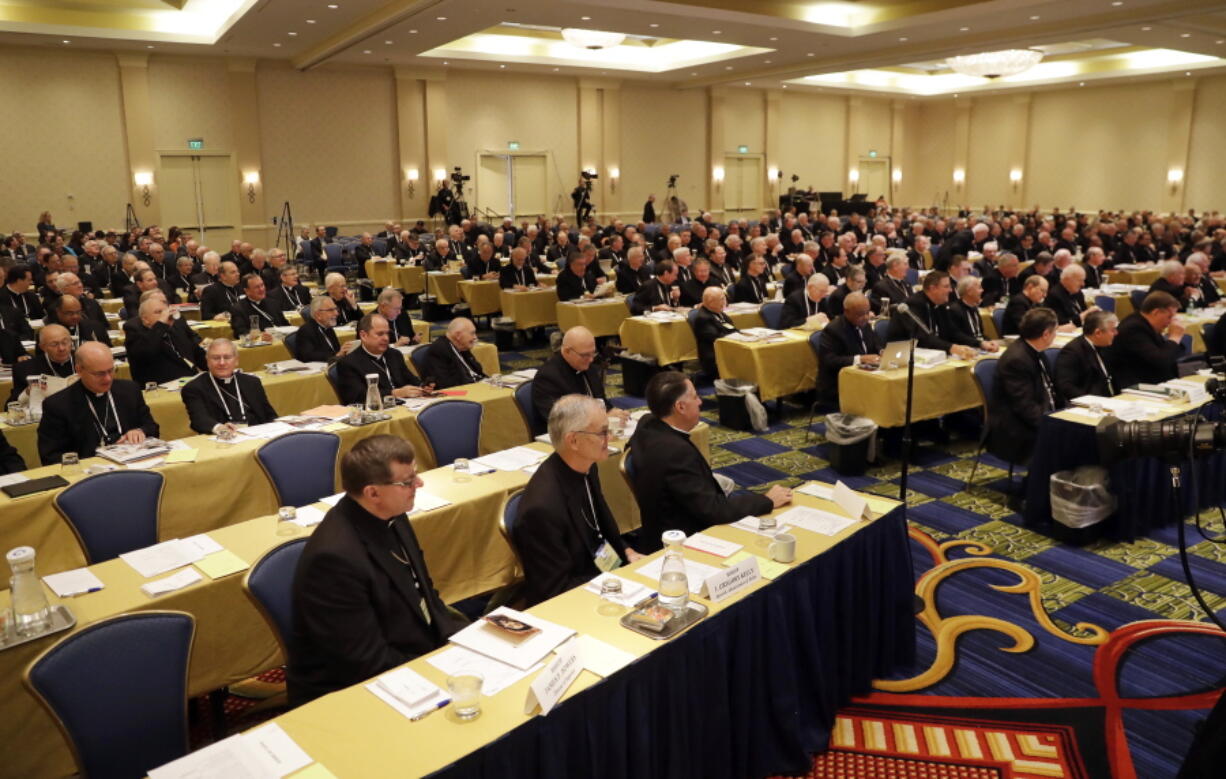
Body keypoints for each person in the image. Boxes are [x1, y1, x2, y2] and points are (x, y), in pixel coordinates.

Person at [288, 435, 467, 706]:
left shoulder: (392, 513)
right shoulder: (333, 559)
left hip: (411, 650)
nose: (418, 484)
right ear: (373, 493)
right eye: (407, 482)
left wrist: (462, 642)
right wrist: (437, 667)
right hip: (351, 690)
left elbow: (425, 595)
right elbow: (365, 662)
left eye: (415, 475)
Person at [627, 371, 790, 552]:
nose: (700, 402)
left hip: (658, 524)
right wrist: (766, 500)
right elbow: (714, 511)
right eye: (695, 397)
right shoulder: (676, 453)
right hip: (683, 540)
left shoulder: (646, 423)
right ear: (680, 407)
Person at [512, 395, 643, 607]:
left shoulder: (585, 466)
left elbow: (599, 526)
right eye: (602, 432)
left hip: (603, 577)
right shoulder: (542, 509)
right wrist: (617, 584)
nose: (609, 437)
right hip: (573, 602)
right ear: (573, 440)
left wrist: (626, 551)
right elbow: (555, 590)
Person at [37, 341, 159, 465]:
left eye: (111, 370)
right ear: (79, 370)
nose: (108, 378)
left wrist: (140, 431)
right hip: (91, 470)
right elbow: (50, 456)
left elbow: (152, 427)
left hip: (134, 462)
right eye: (99, 374)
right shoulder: (58, 405)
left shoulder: (129, 390)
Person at [988, 307, 1062, 464]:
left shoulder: (1036, 350)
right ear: (1046, 334)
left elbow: (1050, 388)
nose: (1056, 336)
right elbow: (1025, 407)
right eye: (1055, 331)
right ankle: (1038, 484)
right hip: (1015, 426)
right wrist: (1052, 424)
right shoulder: (1017, 360)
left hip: (1040, 412)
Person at [181, 339, 279, 435]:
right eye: (216, 358)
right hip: (223, 441)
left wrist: (282, 423)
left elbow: (269, 415)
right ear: (207, 361)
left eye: (227, 357)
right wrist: (219, 428)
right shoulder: (194, 388)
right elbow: (199, 420)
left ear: (236, 360)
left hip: (258, 436)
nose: (222, 363)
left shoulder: (252, 382)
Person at [531, 326, 626, 423]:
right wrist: (603, 418)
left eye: (593, 353)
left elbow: (601, 401)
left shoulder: (588, 366)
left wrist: (613, 412)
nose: (591, 359)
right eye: (585, 355)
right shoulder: (547, 377)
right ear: (567, 351)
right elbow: (559, 420)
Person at [334, 313, 425, 403]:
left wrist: (424, 386)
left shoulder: (394, 354)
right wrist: (394, 393)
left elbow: (410, 379)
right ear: (363, 335)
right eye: (380, 334)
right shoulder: (348, 363)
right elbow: (357, 396)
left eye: (387, 333)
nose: (386, 338)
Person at [886, 271, 978, 359]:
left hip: (935, 355)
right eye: (946, 286)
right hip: (904, 357)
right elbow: (922, 339)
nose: (950, 290)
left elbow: (953, 332)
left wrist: (979, 344)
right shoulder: (911, 306)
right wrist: (951, 347)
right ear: (933, 288)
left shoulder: (940, 304)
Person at [123, 296, 206, 386]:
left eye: (165, 311)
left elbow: (197, 352)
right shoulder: (134, 331)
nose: (165, 315)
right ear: (145, 319)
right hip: (161, 388)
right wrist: (161, 324)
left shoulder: (176, 326)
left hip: (191, 382)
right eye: (158, 312)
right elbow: (146, 352)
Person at [816, 292, 880, 404]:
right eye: (860, 314)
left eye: (867, 312)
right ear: (847, 312)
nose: (865, 317)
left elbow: (875, 344)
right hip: (839, 384)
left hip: (866, 377)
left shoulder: (865, 325)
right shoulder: (833, 330)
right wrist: (860, 359)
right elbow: (829, 360)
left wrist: (882, 351)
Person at [1112, 291, 1184, 390]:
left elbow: (1169, 356)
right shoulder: (1133, 329)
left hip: (1153, 380)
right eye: (1169, 316)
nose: (1171, 321)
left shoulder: (1146, 323)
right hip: (1137, 385)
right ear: (1156, 312)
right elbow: (1160, 361)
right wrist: (1175, 338)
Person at [1055, 311, 1119, 400]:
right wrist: (1092, 401)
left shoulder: (1106, 345)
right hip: (1091, 403)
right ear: (1098, 333)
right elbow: (1066, 386)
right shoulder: (1072, 352)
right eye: (1112, 330)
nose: (1116, 333)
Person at [8, 324, 76, 405]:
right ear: (42, 347)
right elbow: (12, 404)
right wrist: (27, 392)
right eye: (54, 344)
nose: (61, 348)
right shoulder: (25, 368)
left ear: (71, 342)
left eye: (65, 342)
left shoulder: (85, 361)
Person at [421, 317, 486, 389]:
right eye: (472, 333)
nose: (475, 337)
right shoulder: (439, 350)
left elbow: (478, 371)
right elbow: (446, 384)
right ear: (458, 335)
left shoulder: (462, 346)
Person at [293, 296, 358, 363]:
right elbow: (309, 357)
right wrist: (337, 355)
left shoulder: (328, 327)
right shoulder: (305, 331)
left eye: (336, 309)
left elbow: (335, 350)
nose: (336, 313)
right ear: (318, 315)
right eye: (331, 310)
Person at [691, 287, 738, 378]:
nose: (725, 302)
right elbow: (717, 338)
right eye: (722, 299)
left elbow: (732, 329)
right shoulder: (703, 318)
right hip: (714, 357)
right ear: (711, 302)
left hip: (726, 349)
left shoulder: (718, 313)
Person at [230, 273, 289, 341]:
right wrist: (259, 337)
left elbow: (285, 324)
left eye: (262, 285)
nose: (261, 289)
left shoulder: (273, 303)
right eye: (256, 287)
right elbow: (239, 332)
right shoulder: (238, 308)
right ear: (247, 291)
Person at [947, 276, 997, 350]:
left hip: (979, 346)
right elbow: (957, 336)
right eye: (979, 288)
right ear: (969, 291)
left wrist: (990, 341)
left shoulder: (974, 308)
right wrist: (980, 344)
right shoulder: (954, 310)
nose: (982, 290)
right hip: (966, 349)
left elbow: (980, 334)